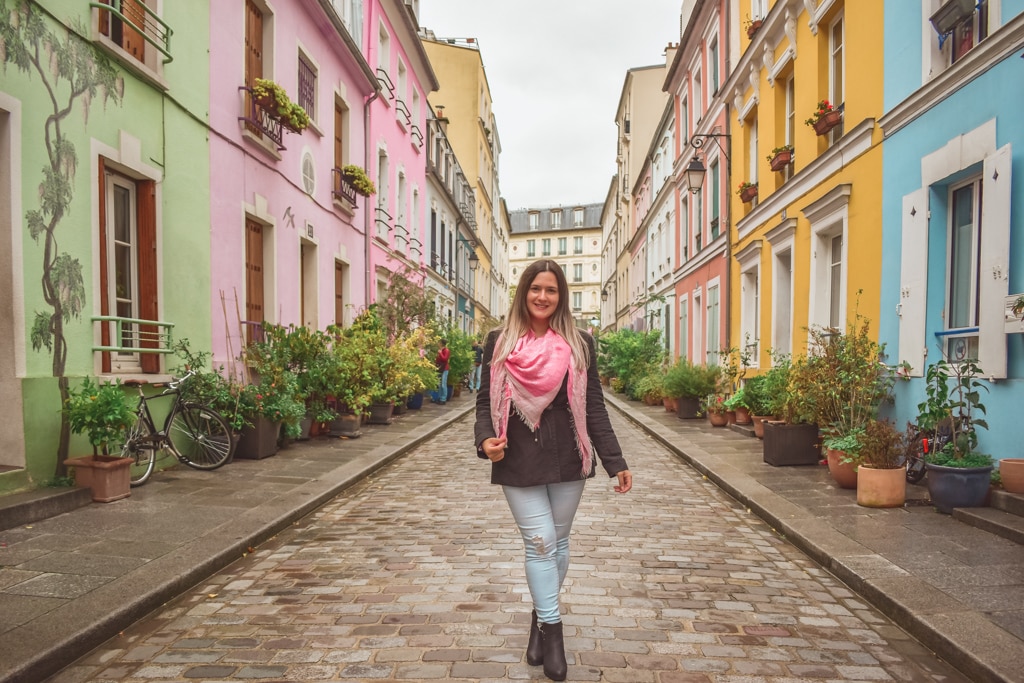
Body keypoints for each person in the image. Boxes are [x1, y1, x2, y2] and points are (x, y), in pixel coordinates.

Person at [474, 259, 632, 681]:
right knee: (541, 543)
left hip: (568, 454)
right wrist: (484, 440)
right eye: (535, 289)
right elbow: (484, 403)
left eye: (552, 290)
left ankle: (539, 618)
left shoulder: (580, 342)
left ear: (561, 296)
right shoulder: (499, 341)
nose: (543, 297)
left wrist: (615, 461)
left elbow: (594, 405)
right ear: (523, 291)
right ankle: (555, 634)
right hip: (516, 454)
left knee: (558, 543)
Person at [431, 339, 450, 404]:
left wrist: (440, 353)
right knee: (439, 384)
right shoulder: (440, 350)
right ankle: (439, 398)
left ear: (441, 343)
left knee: (443, 384)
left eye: (439, 342)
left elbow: (445, 359)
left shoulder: (446, 350)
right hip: (439, 368)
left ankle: (443, 398)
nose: (438, 344)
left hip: (444, 368)